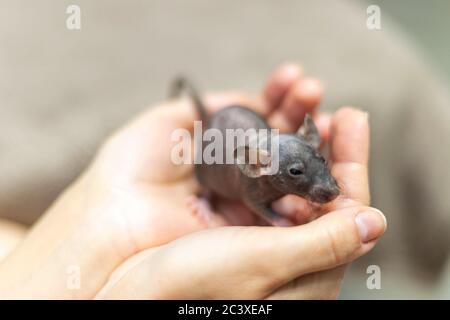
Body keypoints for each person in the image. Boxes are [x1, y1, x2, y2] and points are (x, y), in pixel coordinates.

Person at [0, 64, 385, 299]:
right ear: (257, 167)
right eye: (299, 176)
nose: (326, 187)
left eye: (318, 163)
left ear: (310, 142)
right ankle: (204, 193)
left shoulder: (280, 158)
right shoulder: (255, 180)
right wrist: (278, 217)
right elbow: (258, 202)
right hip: (218, 165)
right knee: (210, 174)